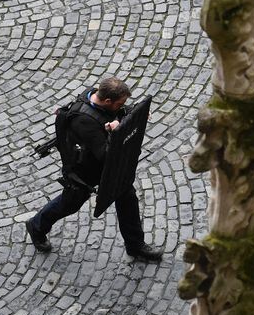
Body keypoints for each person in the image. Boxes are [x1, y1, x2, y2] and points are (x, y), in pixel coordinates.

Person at [25, 77, 163, 261]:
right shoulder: (84, 122)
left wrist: (134, 115)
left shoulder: (99, 97)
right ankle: (36, 226)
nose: (122, 106)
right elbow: (106, 154)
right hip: (85, 171)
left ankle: (135, 245)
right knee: (70, 204)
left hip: (106, 167)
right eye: (120, 103)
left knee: (127, 198)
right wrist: (116, 130)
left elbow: (120, 111)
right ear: (107, 101)